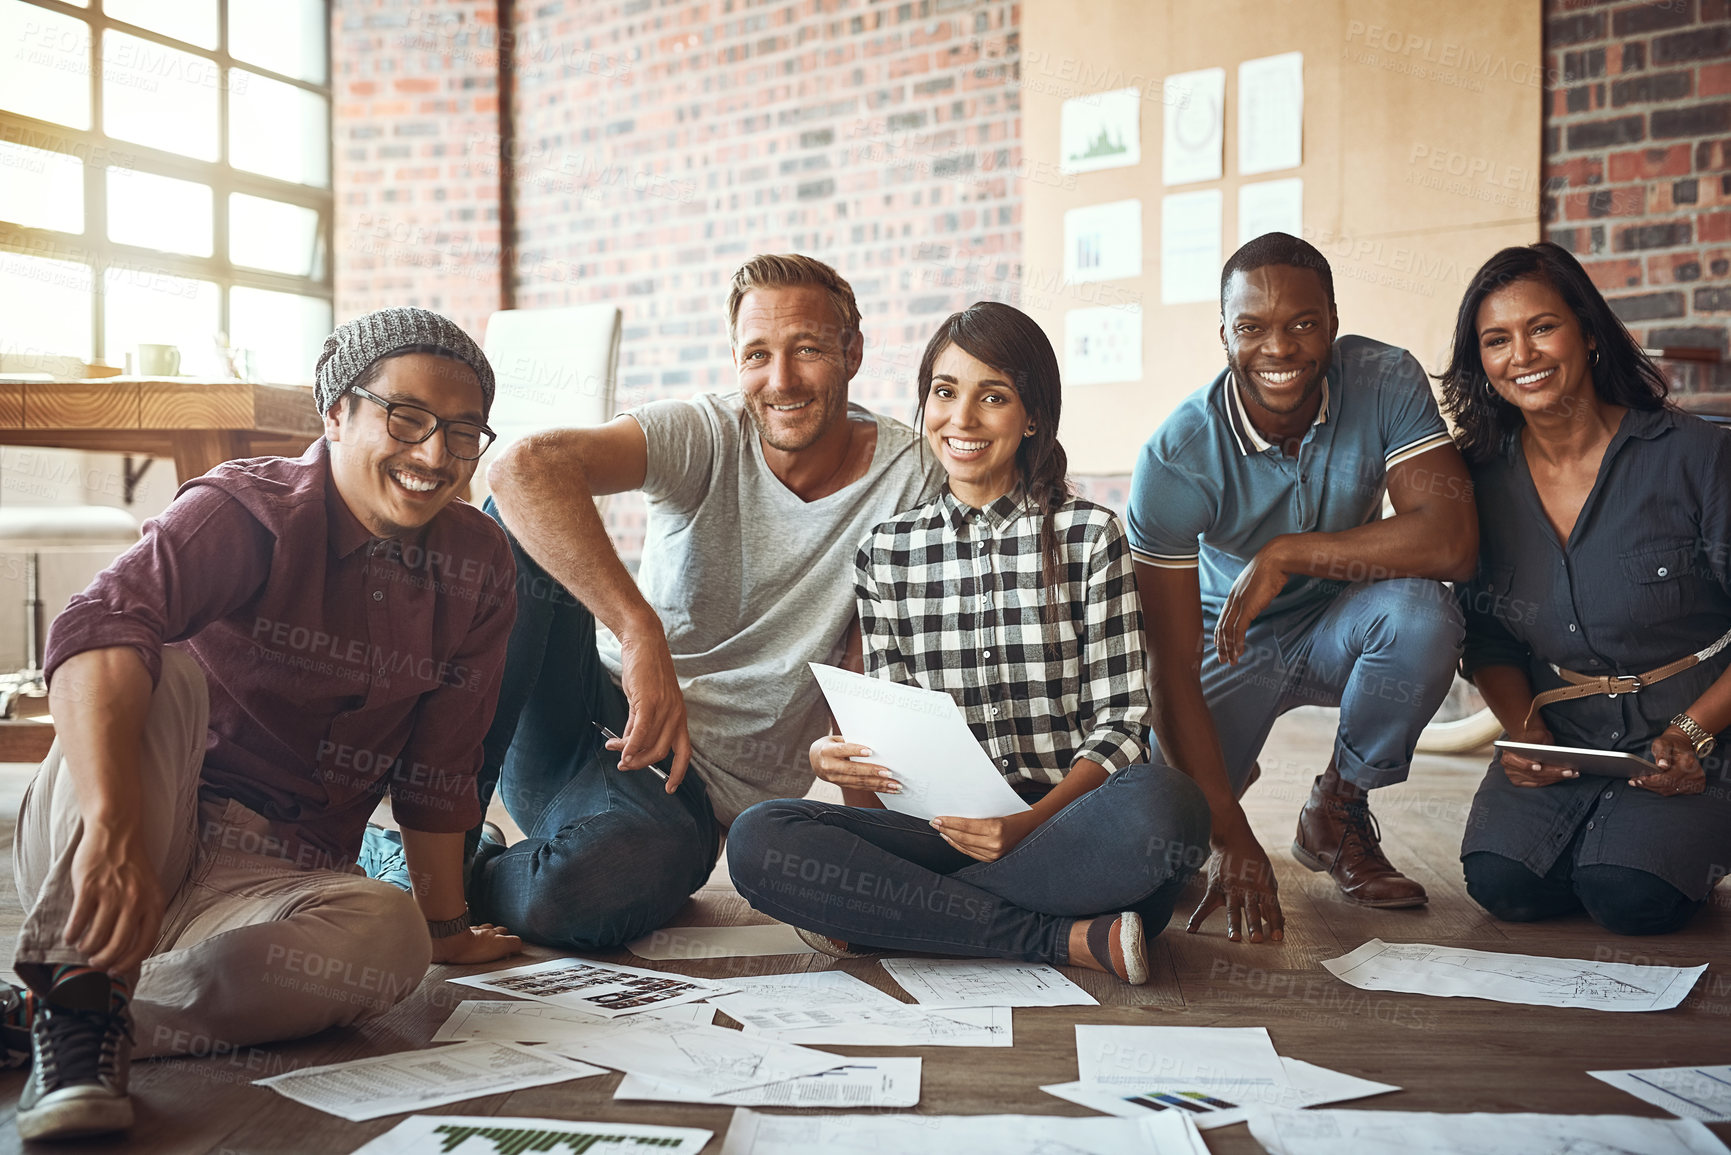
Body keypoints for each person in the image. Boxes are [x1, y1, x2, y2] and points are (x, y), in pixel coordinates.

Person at [10, 308, 523, 1141]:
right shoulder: (243, 509)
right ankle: (76, 1019)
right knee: (158, 664)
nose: (435, 455)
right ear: (335, 413)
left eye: (463, 433)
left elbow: (440, 763)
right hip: (131, 821)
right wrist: (112, 829)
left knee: (391, 937)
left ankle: (75, 1008)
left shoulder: (478, 562)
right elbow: (93, 623)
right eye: (408, 419)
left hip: (268, 881)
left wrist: (443, 926)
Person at [444, 254, 941, 950]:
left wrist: (864, 845)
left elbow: (867, 670)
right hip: (584, 714)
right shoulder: (705, 431)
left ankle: (463, 872)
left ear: (851, 352)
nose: (781, 380)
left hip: (681, 802)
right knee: (507, 522)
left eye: (807, 350)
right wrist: (639, 630)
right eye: (757, 355)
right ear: (735, 361)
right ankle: (442, 845)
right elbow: (520, 467)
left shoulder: (910, 473)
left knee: (589, 887)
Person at [727, 302, 1211, 981]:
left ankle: (901, 919)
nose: (961, 419)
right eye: (944, 392)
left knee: (1168, 811)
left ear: (1032, 415)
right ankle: (1061, 937)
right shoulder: (886, 552)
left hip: (1064, 830)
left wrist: (1022, 826)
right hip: (934, 835)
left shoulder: (1089, 537)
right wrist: (836, 757)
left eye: (993, 396)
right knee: (760, 839)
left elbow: (1122, 726)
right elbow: (889, 724)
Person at [1128, 232, 1479, 943]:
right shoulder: (1175, 457)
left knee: (1421, 614)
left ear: (1332, 321)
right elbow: (1167, 666)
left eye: (1301, 324)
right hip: (1230, 642)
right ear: (1223, 334)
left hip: (1345, 616)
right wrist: (1229, 833)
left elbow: (1452, 541)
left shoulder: (1382, 377)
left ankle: (1336, 810)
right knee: (1156, 855)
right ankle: (1225, 775)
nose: (1278, 348)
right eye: (1251, 327)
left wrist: (1287, 554)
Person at [1441, 242, 1731, 935]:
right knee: (1502, 881)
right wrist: (1524, 729)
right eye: (1496, 340)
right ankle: (1621, 840)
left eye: (1541, 327)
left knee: (1628, 894)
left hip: (1699, 727)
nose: (1522, 355)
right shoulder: (1477, 478)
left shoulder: (1695, 456)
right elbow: (1485, 635)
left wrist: (1691, 732)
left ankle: (1669, 845)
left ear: (1588, 333)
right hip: (1568, 732)